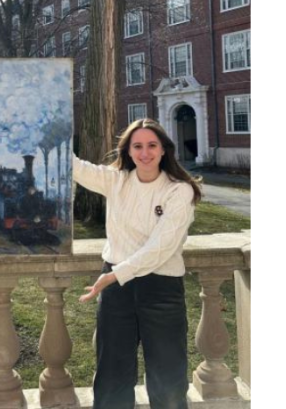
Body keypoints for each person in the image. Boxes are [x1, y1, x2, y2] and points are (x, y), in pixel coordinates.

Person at [74, 118, 202, 409]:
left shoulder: (178, 190)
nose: (145, 152)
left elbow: (162, 247)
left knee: (168, 382)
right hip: (117, 292)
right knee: (111, 378)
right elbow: (75, 167)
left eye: (152, 145)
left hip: (161, 289)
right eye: (138, 146)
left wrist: (115, 275)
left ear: (163, 150)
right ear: (128, 152)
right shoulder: (116, 180)